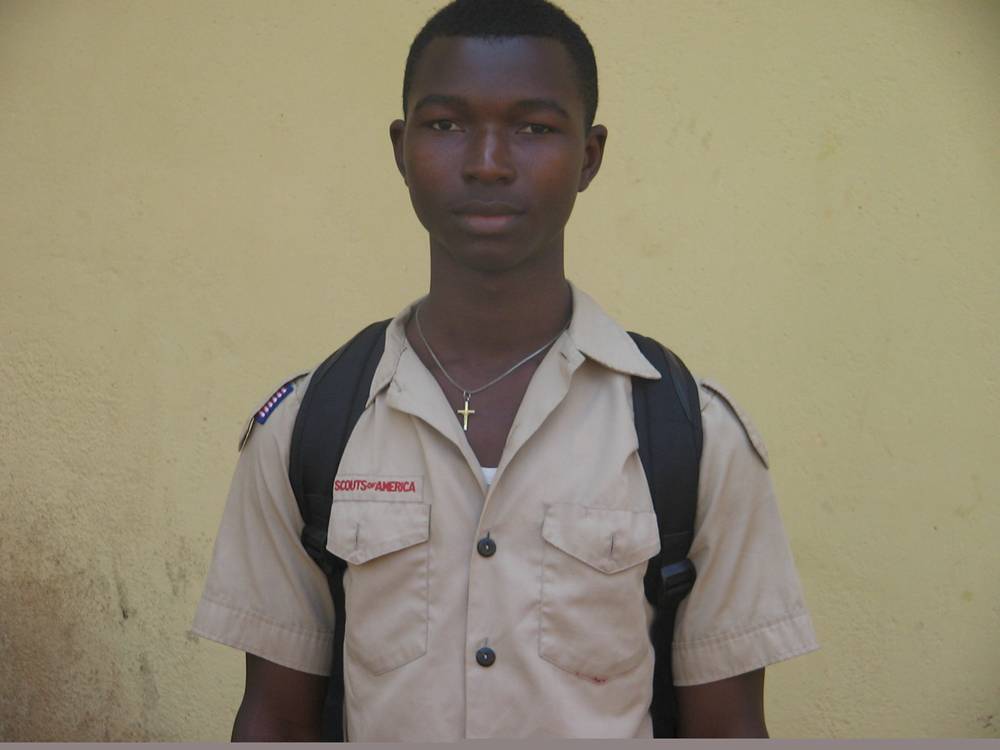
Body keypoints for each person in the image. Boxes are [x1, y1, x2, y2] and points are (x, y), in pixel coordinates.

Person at [192, 0, 818, 740]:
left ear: (589, 156)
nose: (487, 163)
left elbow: (729, 727)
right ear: (401, 148)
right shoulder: (310, 426)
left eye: (535, 128)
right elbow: (273, 718)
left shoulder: (693, 435)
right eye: (445, 124)